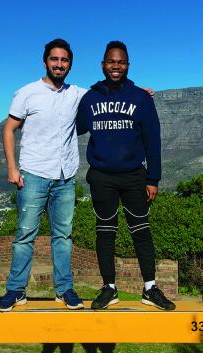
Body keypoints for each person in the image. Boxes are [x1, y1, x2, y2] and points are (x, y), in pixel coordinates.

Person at [76, 40, 175, 311]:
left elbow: (152, 140)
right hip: (102, 177)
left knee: (141, 232)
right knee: (105, 232)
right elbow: (73, 125)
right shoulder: (90, 98)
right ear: (103, 64)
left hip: (134, 176)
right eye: (111, 61)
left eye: (120, 62)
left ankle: (150, 288)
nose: (115, 66)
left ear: (128, 65)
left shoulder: (140, 98)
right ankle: (109, 288)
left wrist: (153, 178)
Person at [0, 38, 86, 312]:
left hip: (65, 176)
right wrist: (12, 167)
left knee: (63, 236)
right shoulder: (27, 92)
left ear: (70, 64)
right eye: (54, 59)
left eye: (65, 60)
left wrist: (138, 92)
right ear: (45, 61)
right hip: (33, 174)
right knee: (24, 235)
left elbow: (108, 93)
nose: (59, 64)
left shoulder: (77, 94)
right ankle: (15, 290)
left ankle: (64, 289)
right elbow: (9, 129)